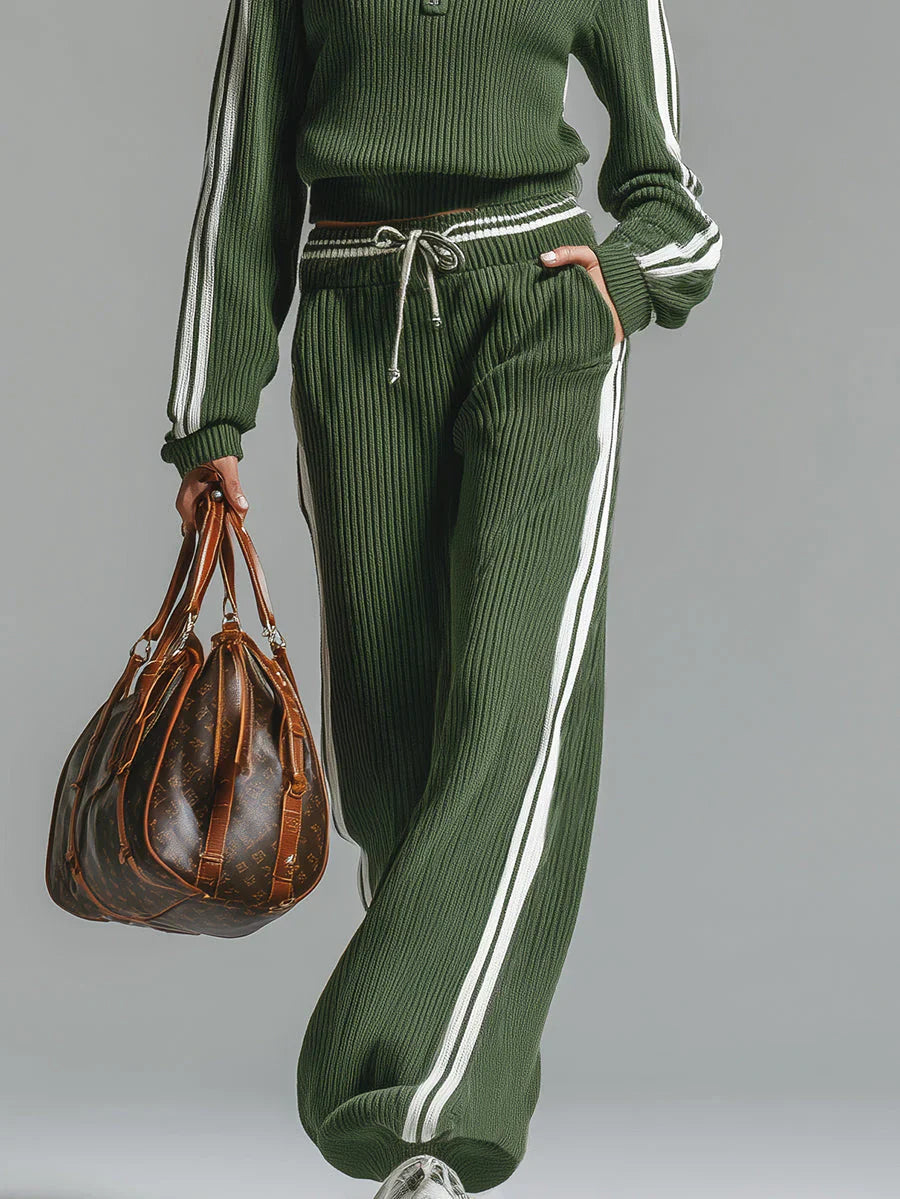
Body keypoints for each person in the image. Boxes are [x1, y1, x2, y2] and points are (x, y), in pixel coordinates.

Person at [162, 1, 723, 1195]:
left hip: (542, 316)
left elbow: (672, 199)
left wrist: (622, 281)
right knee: (387, 752)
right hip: (354, 325)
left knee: (513, 706)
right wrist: (211, 410)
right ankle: (427, 1133)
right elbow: (244, 170)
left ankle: (410, 1110)